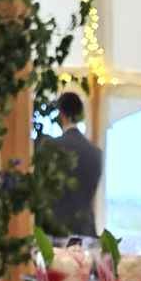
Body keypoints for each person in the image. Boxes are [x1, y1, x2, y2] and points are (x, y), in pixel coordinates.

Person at [47, 91, 102, 238]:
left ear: (60, 114)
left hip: (56, 234)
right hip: (87, 232)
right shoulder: (96, 153)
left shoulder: (51, 147)